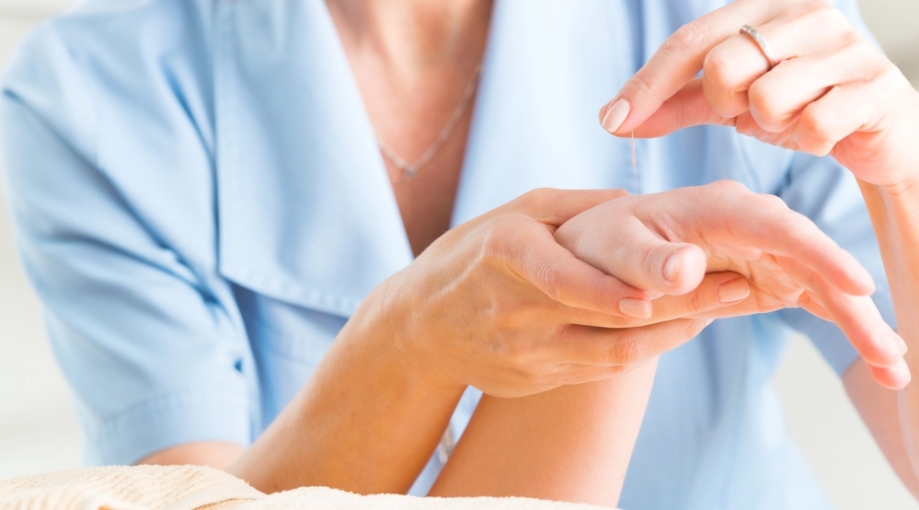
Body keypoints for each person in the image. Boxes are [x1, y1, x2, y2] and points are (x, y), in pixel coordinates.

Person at [0, 0, 917, 508]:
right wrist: (409, 339)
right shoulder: (90, 96)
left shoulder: (745, 27)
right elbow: (190, 500)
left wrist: (903, 175)